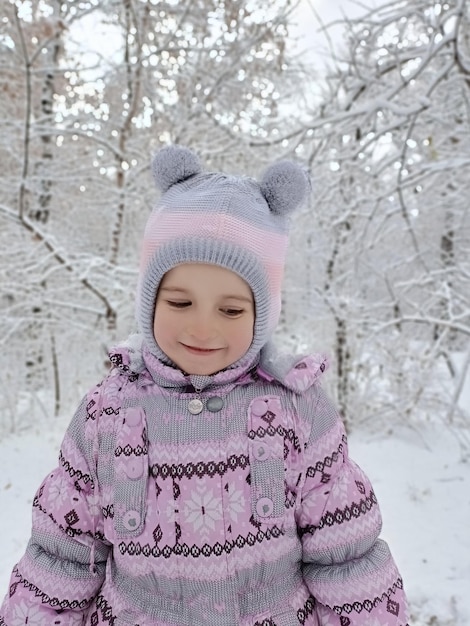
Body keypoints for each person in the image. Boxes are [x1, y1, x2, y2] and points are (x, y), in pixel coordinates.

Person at [0, 145, 409, 626]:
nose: (202, 328)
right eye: (179, 302)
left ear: (263, 315)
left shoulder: (297, 412)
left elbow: (347, 557)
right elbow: (61, 559)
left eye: (231, 310)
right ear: (149, 301)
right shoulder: (106, 413)